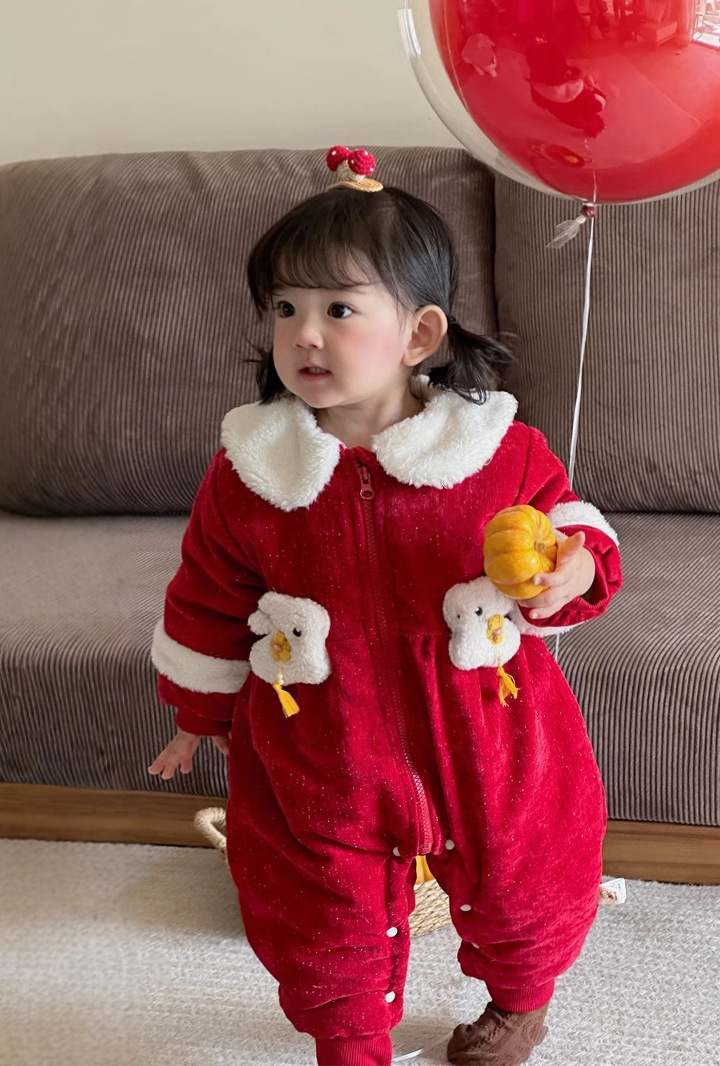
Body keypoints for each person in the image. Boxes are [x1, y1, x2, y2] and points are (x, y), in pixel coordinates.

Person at [147, 147, 623, 1066]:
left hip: (488, 729)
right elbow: (208, 599)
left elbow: (573, 535)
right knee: (317, 910)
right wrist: (199, 713)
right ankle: (349, 1041)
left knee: (529, 877)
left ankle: (520, 1003)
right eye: (284, 309)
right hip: (322, 738)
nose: (303, 335)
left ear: (417, 334)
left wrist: (570, 572)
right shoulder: (251, 475)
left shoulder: (497, 450)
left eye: (337, 309)